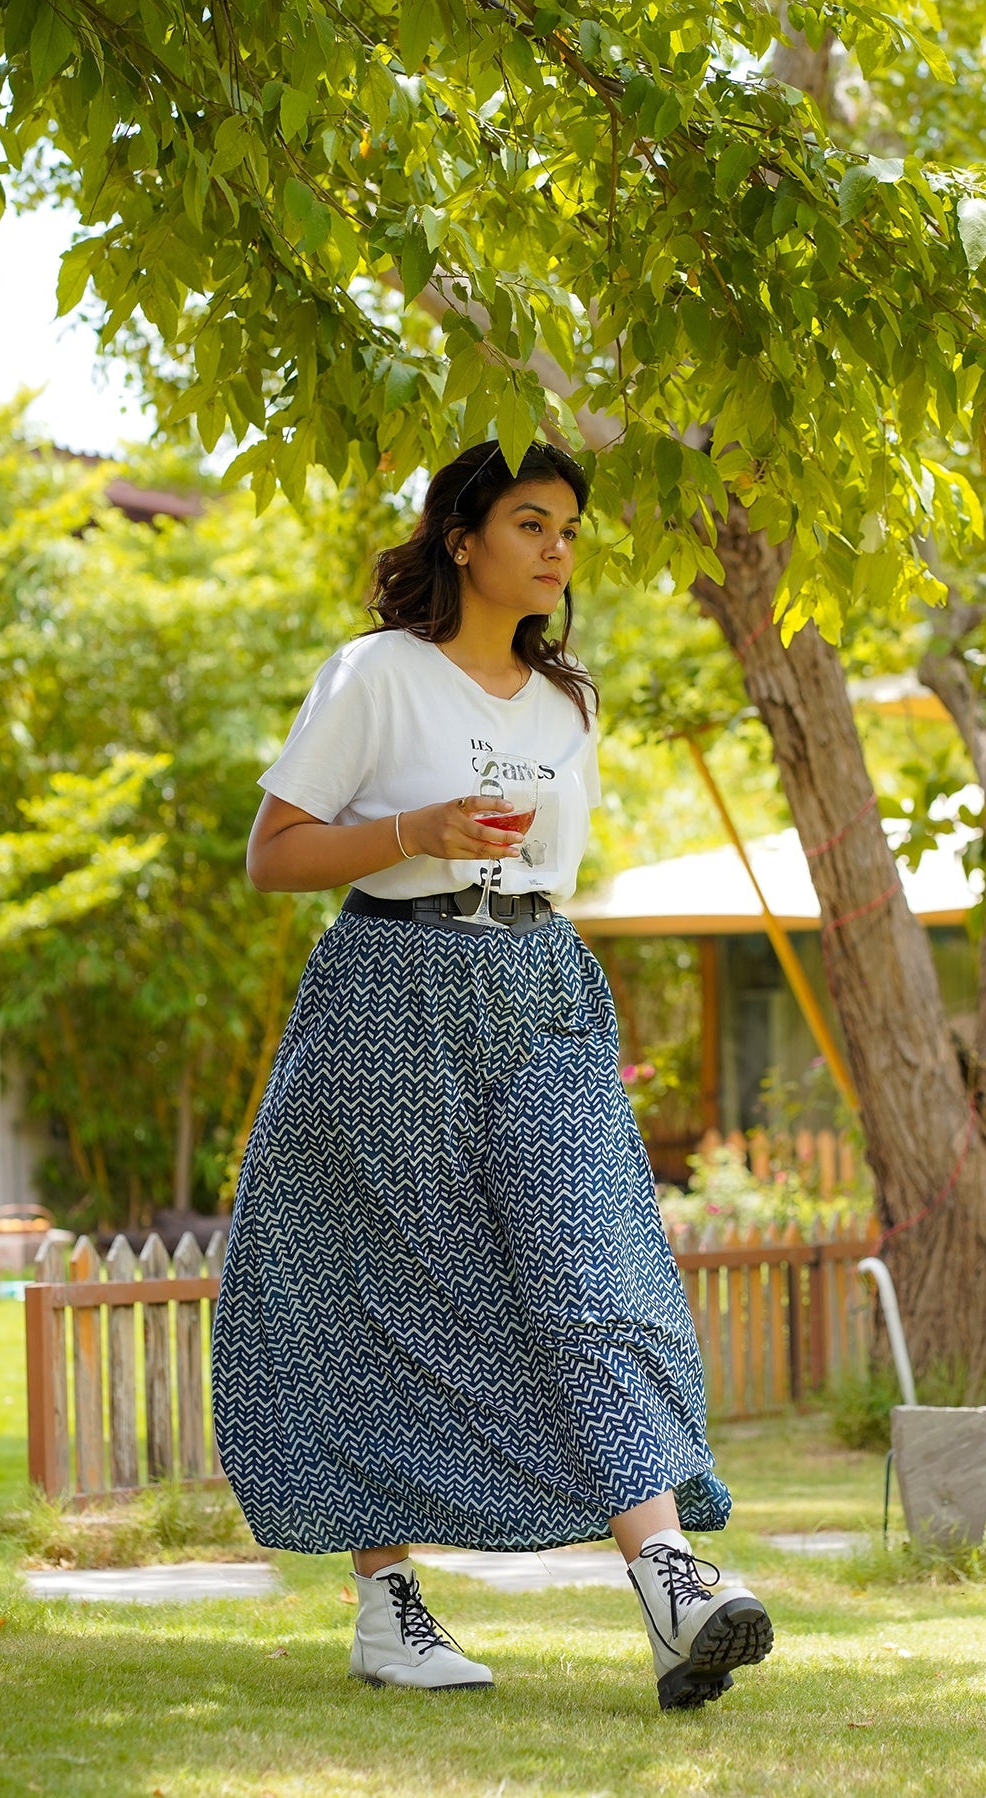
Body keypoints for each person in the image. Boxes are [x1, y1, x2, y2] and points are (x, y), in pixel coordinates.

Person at [211, 439, 774, 1711]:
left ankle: (671, 1575)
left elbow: (556, 862)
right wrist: (417, 830)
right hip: (390, 987)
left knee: (596, 1265)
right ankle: (386, 1602)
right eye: (533, 522)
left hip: (537, 982)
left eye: (570, 527)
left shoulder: (567, 701)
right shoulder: (377, 675)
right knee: (384, 1282)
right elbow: (275, 855)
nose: (559, 547)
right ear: (462, 538)